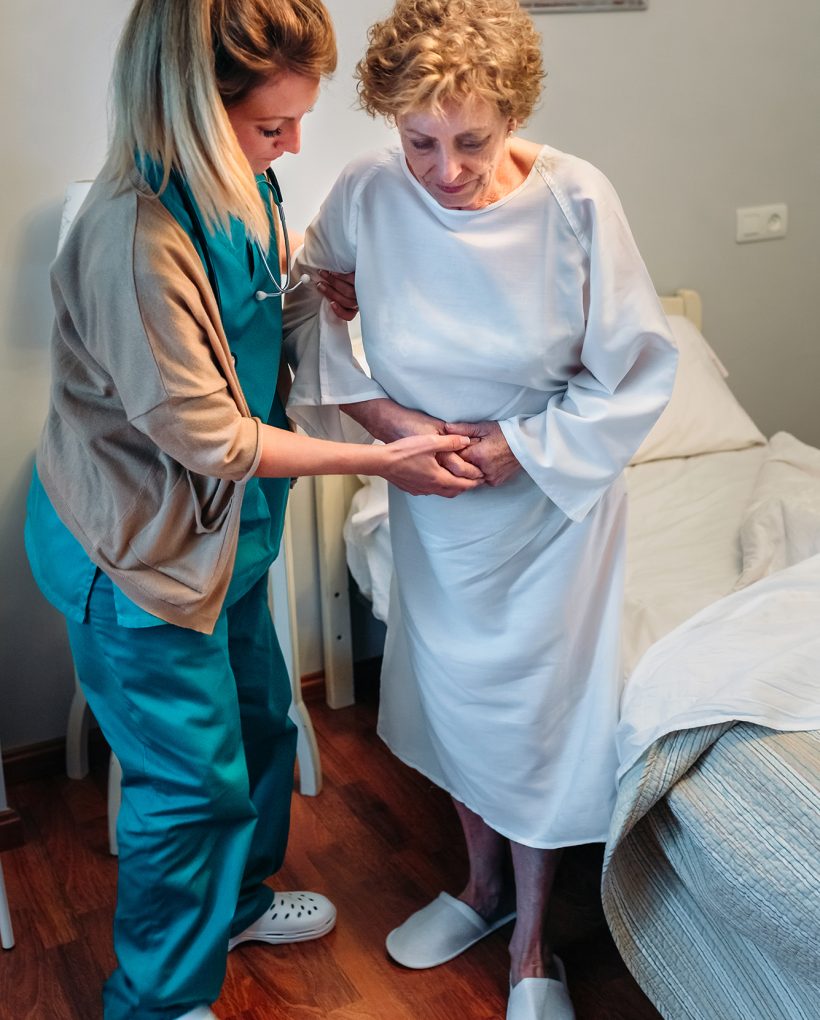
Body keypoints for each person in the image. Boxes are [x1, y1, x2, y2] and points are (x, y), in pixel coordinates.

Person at [23, 2, 480, 1018]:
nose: (293, 145)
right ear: (190, 104)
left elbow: (264, 309)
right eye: (272, 127)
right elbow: (212, 437)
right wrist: (380, 456)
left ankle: (232, 906)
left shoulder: (247, 185)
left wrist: (324, 287)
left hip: (229, 530)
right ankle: (156, 999)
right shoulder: (132, 235)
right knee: (188, 791)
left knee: (263, 730)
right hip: (141, 559)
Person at [282, 1, 679, 1017]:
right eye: (420, 142)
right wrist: (388, 425)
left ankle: (535, 944)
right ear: (390, 123)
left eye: (471, 142)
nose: (445, 170)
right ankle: (481, 886)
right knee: (456, 701)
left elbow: (634, 372)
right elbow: (312, 315)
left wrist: (521, 447)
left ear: (510, 116)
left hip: (550, 505)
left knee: (540, 715)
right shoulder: (369, 191)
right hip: (432, 503)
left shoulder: (577, 199)